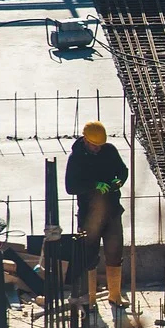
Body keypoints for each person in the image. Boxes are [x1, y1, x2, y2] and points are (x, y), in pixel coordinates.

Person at [65, 121, 129, 308]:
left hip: (112, 212)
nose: (97, 148)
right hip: (89, 215)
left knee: (115, 251)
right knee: (89, 255)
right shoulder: (76, 158)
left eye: (99, 145)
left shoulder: (109, 151)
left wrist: (119, 181)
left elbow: (123, 170)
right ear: (85, 140)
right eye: (94, 145)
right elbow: (71, 187)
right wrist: (94, 185)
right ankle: (90, 298)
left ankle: (115, 295)